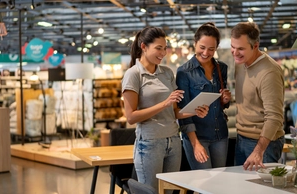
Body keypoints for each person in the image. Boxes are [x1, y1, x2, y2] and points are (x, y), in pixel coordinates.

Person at [121, 26, 208, 192]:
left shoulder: (167, 73)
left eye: (165, 48)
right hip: (149, 144)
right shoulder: (133, 75)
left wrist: (195, 111)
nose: (163, 53)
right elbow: (131, 117)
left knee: (170, 191)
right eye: (158, 48)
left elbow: (174, 112)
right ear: (144, 47)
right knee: (150, 191)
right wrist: (164, 103)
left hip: (174, 142)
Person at [176, 22, 232, 170]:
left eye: (211, 49)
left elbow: (220, 104)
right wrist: (195, 144)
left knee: (220, 183)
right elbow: (183, 113)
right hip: (197, 136)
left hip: (220, 134)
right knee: (204, 184)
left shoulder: (222, 68)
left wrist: (225, 100)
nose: (206, 53)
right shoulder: (184, 72)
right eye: (202, 47)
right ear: (195, 44)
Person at [230, 22, 285, 171]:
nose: (235, 53)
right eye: (233, 47)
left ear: (255, 46)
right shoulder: (241, 63)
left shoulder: (269, 72)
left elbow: (274, 117)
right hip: (241, 138)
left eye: (240, 48)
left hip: (263, 144)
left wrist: (258, 151)